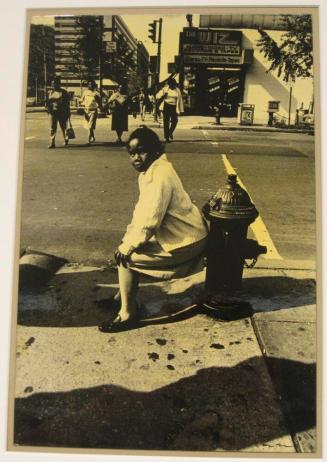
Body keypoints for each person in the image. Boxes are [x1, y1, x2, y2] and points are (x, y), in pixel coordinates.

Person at [98, 126, 208, 332]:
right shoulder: (153, 170)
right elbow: (141, 214)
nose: (136, 158)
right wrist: (128, 241)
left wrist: (128, 247)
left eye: (141, 151)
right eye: (131, 153)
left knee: (126, 260)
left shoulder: (159, 175)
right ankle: (121, 298)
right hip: (185, 235)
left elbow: (150, 219)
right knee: (127, 248)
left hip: (187, 240)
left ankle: (127, 314)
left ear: (155, 150)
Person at [45, 76, 71, 148]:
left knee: (63, 127)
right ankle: (52, 142)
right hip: (52, 112)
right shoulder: (50, 92)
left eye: (55, 84)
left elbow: (67, 103)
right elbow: (47, 102)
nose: (53, 85)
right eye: (52, 84)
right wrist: (47, 109)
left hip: (61, 112)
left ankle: (66, 139)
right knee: (52, 128)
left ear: (59, 84)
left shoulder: (63, 92)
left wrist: (68, 112)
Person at [156, 78, 184, 143]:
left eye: (173, 85)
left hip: (174, 107)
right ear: (169, 84)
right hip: (166, 106)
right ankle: (166, 137)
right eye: (171, 85)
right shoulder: (165, 89)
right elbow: (157, 96)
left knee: (175, 121)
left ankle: (170, 132)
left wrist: (180, 110)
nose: (172, 86)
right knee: (166, 122)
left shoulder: (177, 90)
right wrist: (163, 95)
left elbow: (180, 100)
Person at [80, 80, 102, 144]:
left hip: (94, 110)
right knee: (88, 125)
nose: (90, 86)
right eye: (89, 84)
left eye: (92, 85)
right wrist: (80, 103)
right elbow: (81, 100)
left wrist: (101, 108)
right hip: (86, 110)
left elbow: (99, 103)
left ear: (94, 86)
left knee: (91, 124)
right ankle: (92, 136)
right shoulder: (85, 92)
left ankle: (89, 137)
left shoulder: (96, 93)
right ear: (88, 86)